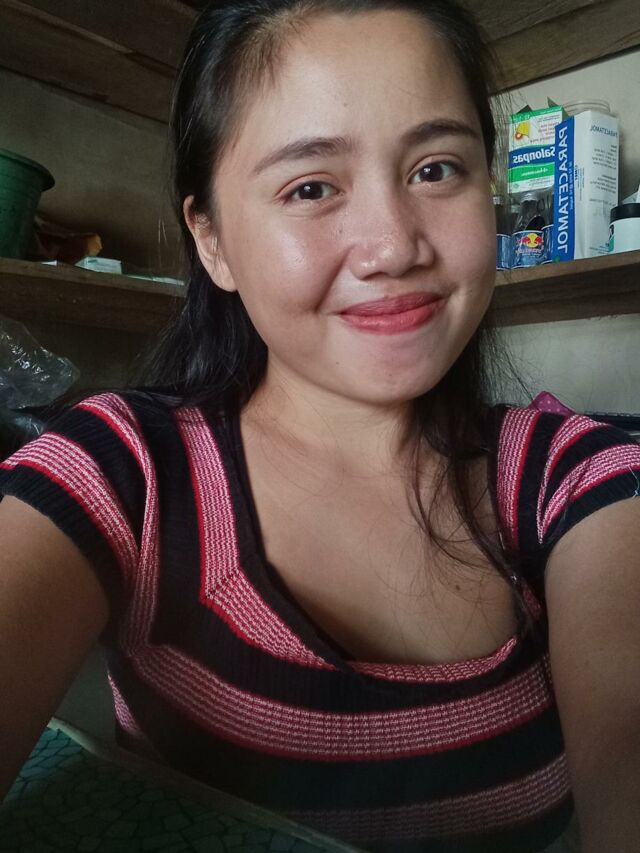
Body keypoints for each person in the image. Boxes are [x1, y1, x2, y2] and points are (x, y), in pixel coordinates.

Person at [0, 1, 639, 851]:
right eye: (311, 187)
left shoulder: (579, 476)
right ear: (212, 240)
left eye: (437, 168)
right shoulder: (124, 471)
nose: (393, 245)